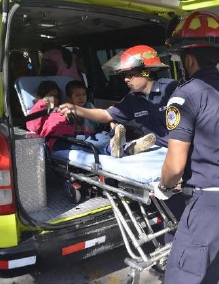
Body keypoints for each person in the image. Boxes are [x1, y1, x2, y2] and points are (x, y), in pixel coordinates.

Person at [58, 45, 187, 256]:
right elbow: (106, 116)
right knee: (163, 201)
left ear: (146, 71)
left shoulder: (172, 89)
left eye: (131, 74)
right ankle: (167, 243)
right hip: (160, 150)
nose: (126, 79)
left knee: (176, 205)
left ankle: (175, 250)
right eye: (124, 76)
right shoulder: (132, 100)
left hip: (182, 150)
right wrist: (77, 109)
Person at [154, 11, 219, 284]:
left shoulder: (185, 96)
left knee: (183, 275)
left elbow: (174, 167)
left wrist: (163, 186)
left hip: (210, 204)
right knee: (215, 272)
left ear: (190, 58)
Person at [26, 80, 75, 151]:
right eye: (51, 96)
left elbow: (73, 125)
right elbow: (32, 127)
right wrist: (41, 103)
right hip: (56, 140)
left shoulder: (60, 110)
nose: (54, 99)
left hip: (71, 137)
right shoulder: (39, 110)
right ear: (42, 97)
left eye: (56, 97)